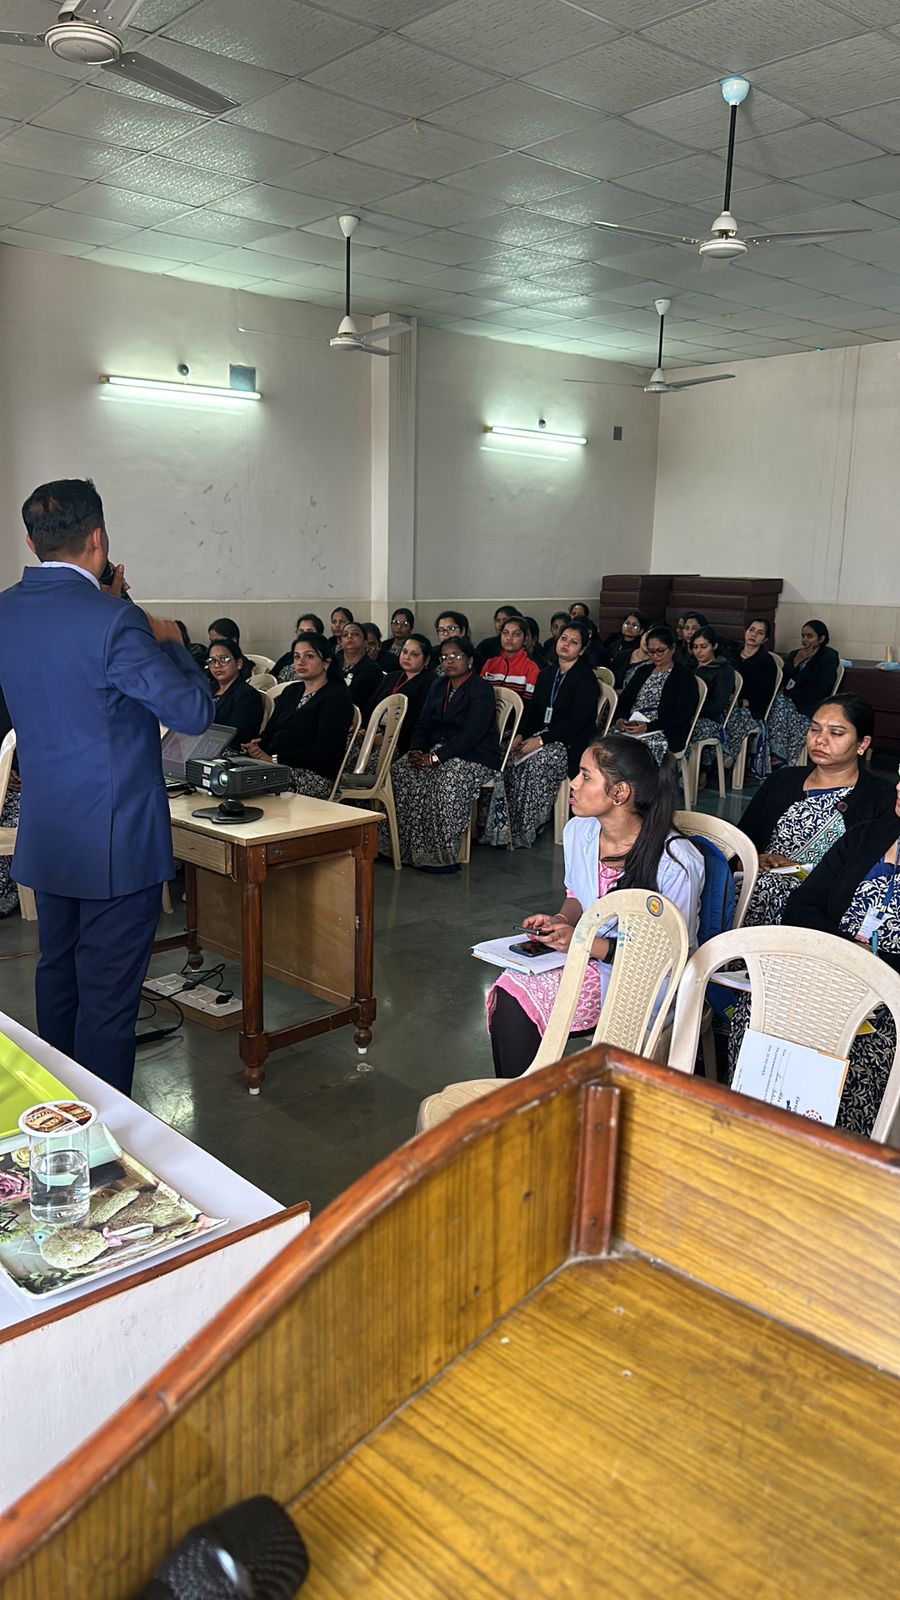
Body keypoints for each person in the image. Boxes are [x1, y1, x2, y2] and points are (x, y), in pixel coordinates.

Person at [0, 479, 213, 1095]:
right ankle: (103, 1129)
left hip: (50, 835)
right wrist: (170, 641)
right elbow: (194, 713)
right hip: (116, 843)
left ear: (31, 542)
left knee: (58, 973)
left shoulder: (7, 609)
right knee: (108, 999)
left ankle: (59, 1109)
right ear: (98, 539)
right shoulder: (119, 621)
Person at [486, 736, 704, 1078]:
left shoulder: (675, 863)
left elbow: (664, 956)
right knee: (510, 994)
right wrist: (561, 920)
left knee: (518, 1005)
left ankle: (527, 1103)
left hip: (644, 979)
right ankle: (524, 1103)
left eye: (586, 776)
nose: (573, 783)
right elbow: (577, 894)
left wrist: (584, 941)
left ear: (619, 793)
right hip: (588, 956)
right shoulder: (579, 831)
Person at [773, 777, 900, 1136]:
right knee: (761, 1013)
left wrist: (874, 966)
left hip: (889, 998)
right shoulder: (866, 835)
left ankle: (837, 1157)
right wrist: (846, 952)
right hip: (830, 973)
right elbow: (801, 907)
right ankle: (759, 1139)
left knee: (861, 1050)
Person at [738, 694, 891, 927]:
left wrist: (798, 871)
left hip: (821, 907)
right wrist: (755, 860)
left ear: (862, 744)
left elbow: (870, 877)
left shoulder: (880, 797)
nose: (820, 740)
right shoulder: (782, 781)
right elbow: (741, 841)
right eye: (814, 729)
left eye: (836, 733)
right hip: (755, 885)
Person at [390, 635, 500, 870]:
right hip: (440, 749)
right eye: (445, 657)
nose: (449, 661)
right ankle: (401, 848)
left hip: (476, 754)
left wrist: (436, 758)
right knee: (402, 770)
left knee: (446, 776)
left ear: (470, 661)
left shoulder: (481, 689)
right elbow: (423, 723)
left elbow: (472, 734)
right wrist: (416, 750)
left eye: (456, 656)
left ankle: (439, 855)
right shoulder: (439, 685)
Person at [503, 618, 600, 849]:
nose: (566, 644)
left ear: (582, 650)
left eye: (573, 642)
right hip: (543, 735)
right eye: (563, 638)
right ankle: (504, 827)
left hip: (570, 742)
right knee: (508, 754)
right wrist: (521, 735)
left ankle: (527, 828)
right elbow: (534, 711)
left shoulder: (585, 679)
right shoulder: (547, 674)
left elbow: (576, 723)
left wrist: (540, 740)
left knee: (539, 761)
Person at [246, 632, 353, 798]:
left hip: (314, 775)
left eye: (309, 656)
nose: (300, 662)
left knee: (248, 783)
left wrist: (274, 759)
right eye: (296, 656)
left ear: (326, 662)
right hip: (276, 765)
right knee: (233, 773)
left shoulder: (336, 698)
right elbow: (270, 731)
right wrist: (257, 746)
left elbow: (325, 751)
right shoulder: (291, 691)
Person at [614, 624, 698, 763]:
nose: (655, 656)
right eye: (651, 652)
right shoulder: (643, 671)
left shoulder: (684, 677)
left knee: (635, 751)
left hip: (663, 729)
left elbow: (681, 714)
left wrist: (648, 727)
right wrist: (620, 719)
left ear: (672, 649)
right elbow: (625, 700)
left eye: (660, 651)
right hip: (635, 724)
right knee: (607, 744)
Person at [767, 619, 841, 767]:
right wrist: (796, 662)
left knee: (780, 702)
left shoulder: (828, 657)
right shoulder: (796, 654)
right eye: (803, 636)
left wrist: (789, 694)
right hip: (789, 703)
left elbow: (820, 690)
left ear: (821, 639)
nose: (805, 640)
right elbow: (782, 680)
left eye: (809, 636)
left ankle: (779, 755)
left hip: (809, 705)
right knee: (777, 703)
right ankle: (776, 755)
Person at [367, 633, 435, 757]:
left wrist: (387, 737)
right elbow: (372, 706)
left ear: (426, 660)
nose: (407, 657)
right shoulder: (391, 676)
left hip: (402, 740)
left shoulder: (431, 682)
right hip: (375, 733)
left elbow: (419, 720)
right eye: (405, 652)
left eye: (414, 654)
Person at [687, 626, 737, 786]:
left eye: (703, 647)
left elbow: (718, 705)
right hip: (688, 714)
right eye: (695, 647)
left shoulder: (724, 670)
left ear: (714, 646)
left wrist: (691, 709)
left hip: (711, 719)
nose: (698, 651)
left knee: (688, 728)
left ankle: (695, 772)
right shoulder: (689, 666)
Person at [206, 638, 265, 748]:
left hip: (227, 751)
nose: (217, 665)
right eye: (212, 661)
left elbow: (237, 735)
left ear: (239, 663)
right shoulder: (207, 688)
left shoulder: (248, 696)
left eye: (223, 659)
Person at [480, 615, 540, 702]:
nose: (509, 638)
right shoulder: (490, 664)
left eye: (516, 634)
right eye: (505, 633)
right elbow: (481, 696)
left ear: (525, 639)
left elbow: (530, 703)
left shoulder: (531, 668)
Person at [335, 621, 384, 710]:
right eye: (345, 635)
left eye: (355, 634)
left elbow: (352, 697)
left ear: (365, 643)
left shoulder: (372, 669)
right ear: (341, 643)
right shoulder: (334, 662)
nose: (349, 637)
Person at [273, 613, 324, 679]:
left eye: (310, 631)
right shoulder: (288, 657)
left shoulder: (324, 658)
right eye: (301, 631)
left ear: (320, 635)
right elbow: (269, 678)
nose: (305, 635)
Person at [474, 604, 522, 672]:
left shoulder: (519, 643)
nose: (500, 624)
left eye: (505, 620)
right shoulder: (486, 645)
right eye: (498, 620)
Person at [608, 610, 647, 674]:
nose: (629, 627)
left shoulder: (640, 648)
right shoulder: (614, 644)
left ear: (641, 631)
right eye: (627, 624)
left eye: (634, 626)